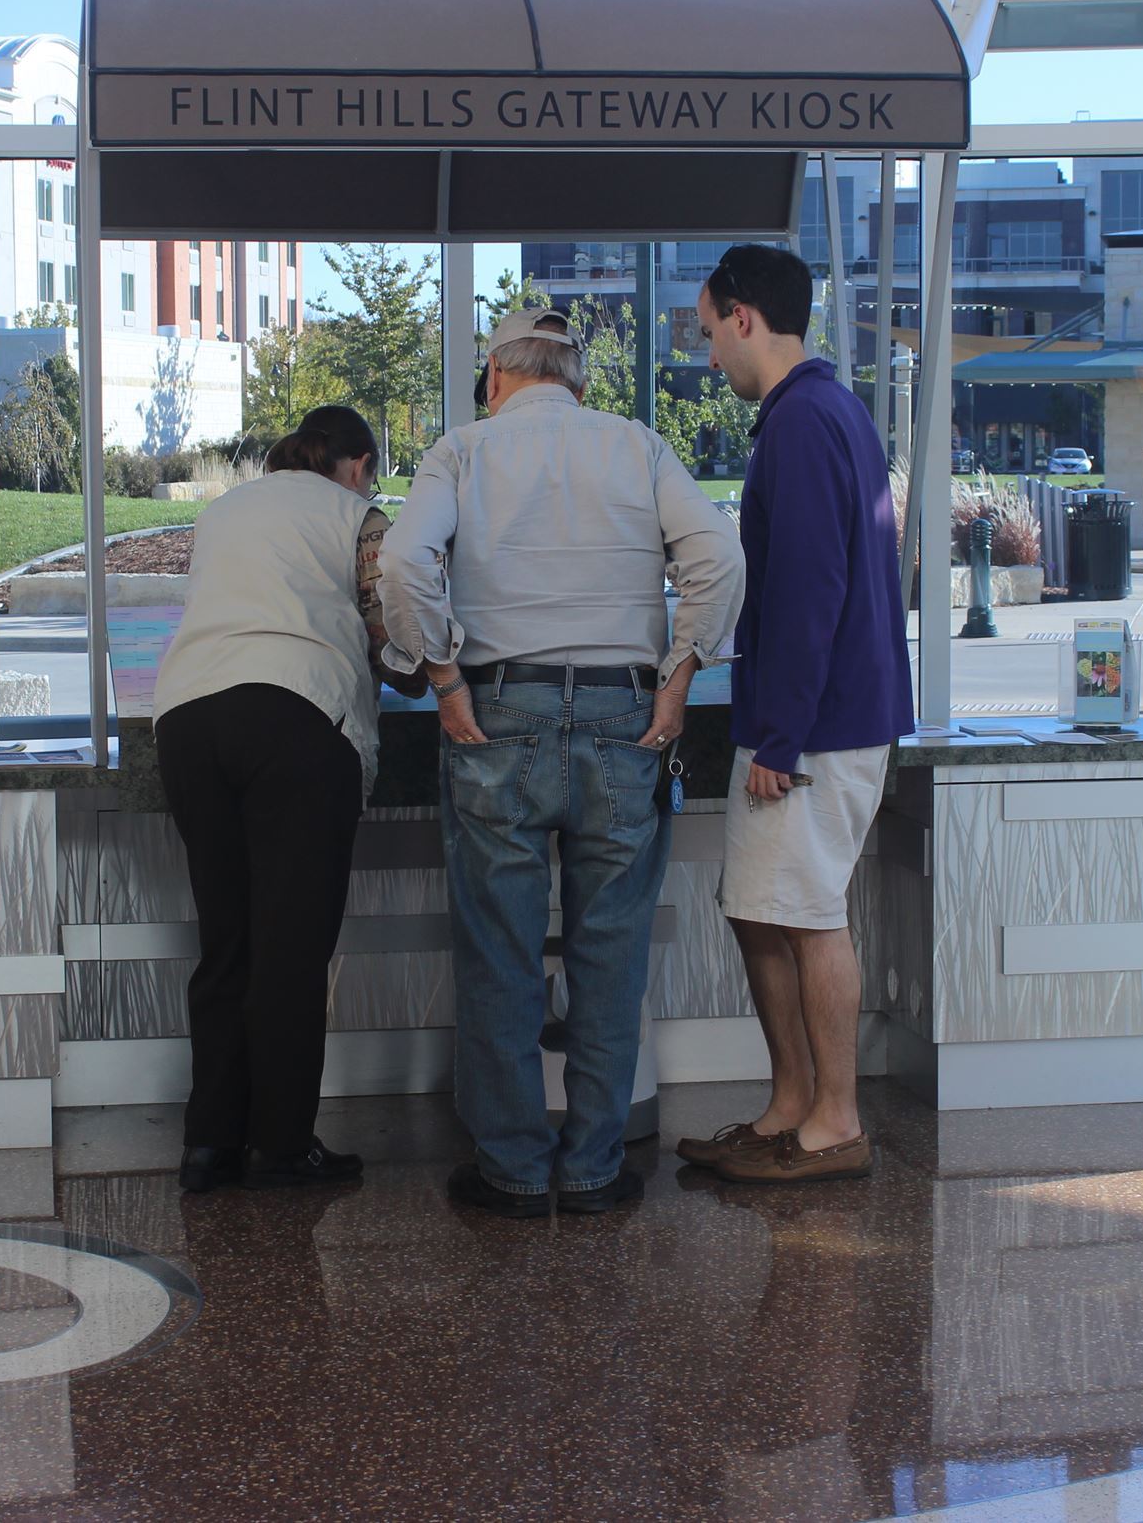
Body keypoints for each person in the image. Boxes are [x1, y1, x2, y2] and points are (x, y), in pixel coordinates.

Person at [380, 308, 744, 1218]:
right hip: (627, 716)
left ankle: (509, 1167)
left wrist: (443, 677)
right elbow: (718, 556)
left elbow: (401, 562)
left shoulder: (461, 451)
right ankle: (590, 1168)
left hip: (497, 712)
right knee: (610, 952)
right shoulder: (638, 446)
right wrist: (680, 678)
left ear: (496, 377)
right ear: (576, 381)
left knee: (499, 952)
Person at [676, 244, 912, 1185]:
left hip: (817, 726)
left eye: (706, 333)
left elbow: (812, 587)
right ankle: (791, 1104)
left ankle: (835, 1122)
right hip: (824, 715)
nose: (707, 358)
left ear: (744, 317)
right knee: (757, 908)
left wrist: (780, 733)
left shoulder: (804, 422)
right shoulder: (822, 412)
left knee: (807, 915)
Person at [152, 404, 421, 1193]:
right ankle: (280, 1142)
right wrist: (420, 667)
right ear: (360, 463)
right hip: (296, 718)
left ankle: (209, 1143)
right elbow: (391, 625)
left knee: (227, 941)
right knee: (290, 946)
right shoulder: (358, 515)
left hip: (188, 719)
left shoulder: (224, 510)